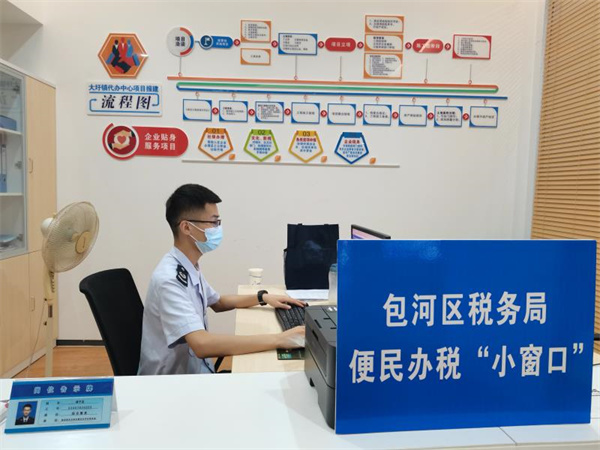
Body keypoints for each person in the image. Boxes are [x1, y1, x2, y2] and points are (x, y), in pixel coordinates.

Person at [138, 184, 306, 375]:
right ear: (186, 227)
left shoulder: (187, 265)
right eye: (213, 222)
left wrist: (263, 297)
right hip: (172, 382)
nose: (218, 229)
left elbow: (218, 302)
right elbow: (201, 344)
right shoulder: (169, 280)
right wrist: (280, 339)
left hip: (195, 370)